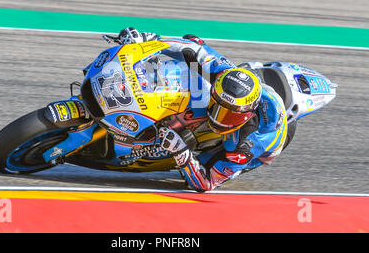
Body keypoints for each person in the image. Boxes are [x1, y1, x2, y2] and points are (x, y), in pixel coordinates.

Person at [104, 27, 293, 192]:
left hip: (248, 148)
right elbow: (193, 49)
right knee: (190, 49)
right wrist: (148, 40)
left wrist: (180, 151)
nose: (217, 117)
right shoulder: (224, 74)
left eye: (227, 114)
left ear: (245, 115)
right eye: (217, 106)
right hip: (254, 92)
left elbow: (206, 182)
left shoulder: (248, 144)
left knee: (192, 177)